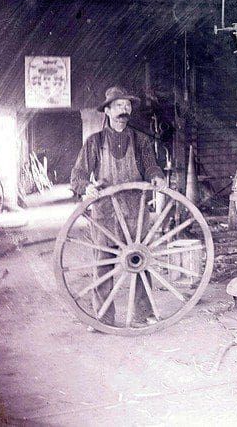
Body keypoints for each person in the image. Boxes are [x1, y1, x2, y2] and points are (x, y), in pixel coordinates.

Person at [70, 86, 167, 328]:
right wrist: (86, 187)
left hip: (136, 210)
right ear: (108, 110)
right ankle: (103, 318)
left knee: (140, 260)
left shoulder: (141, 140)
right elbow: (78, 175)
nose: (124, 110)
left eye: (127, 106)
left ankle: (141, 315)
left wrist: (156, 176)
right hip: (105, 213)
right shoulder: (95, 141)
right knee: (103, 264)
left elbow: (150, 166)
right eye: (119, 106)